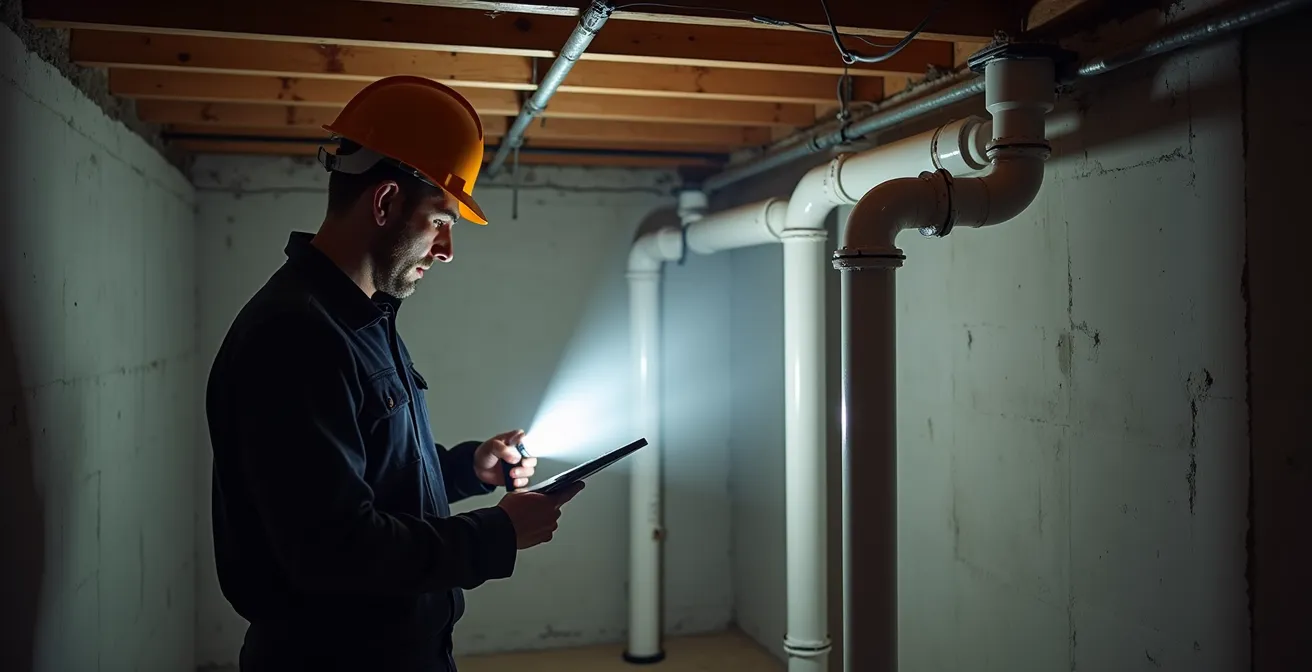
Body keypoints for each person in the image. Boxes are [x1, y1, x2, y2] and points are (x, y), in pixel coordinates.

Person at [204, 75, 585, 671]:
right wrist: (497, 535)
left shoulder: (358, 319)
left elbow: (363, 470)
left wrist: (466, 467)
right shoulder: (296, 337)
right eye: (440, 221)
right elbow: (334, 548)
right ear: (384, 203)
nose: (447, 250)